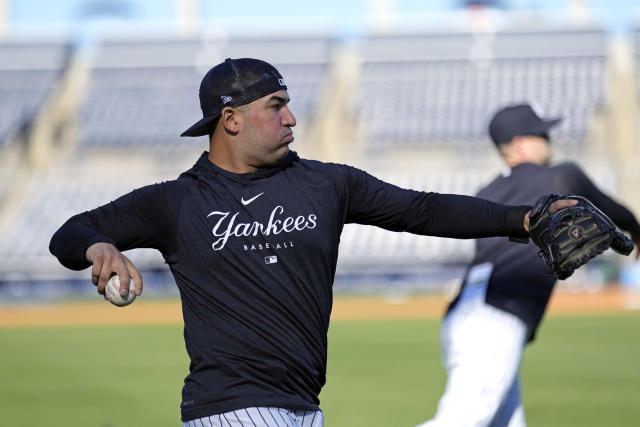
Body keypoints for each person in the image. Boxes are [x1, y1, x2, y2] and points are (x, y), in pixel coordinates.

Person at [49, 60, 574, 427]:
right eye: (275, 106)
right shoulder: (176, 202)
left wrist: (522, 219)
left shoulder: (328, 184)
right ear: (230, 119)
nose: (291, 117)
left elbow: (424, 209)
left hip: (305, 406)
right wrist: (99, 247)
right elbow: (69, 232)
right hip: (228, 408)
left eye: (289, 104)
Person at [416, 103, 640, 427]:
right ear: (519, 143)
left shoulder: (485, 193)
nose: (548, 138)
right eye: (541, 132)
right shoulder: (561, 176)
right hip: (496, 319)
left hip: (464, 314)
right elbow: (617, 214)